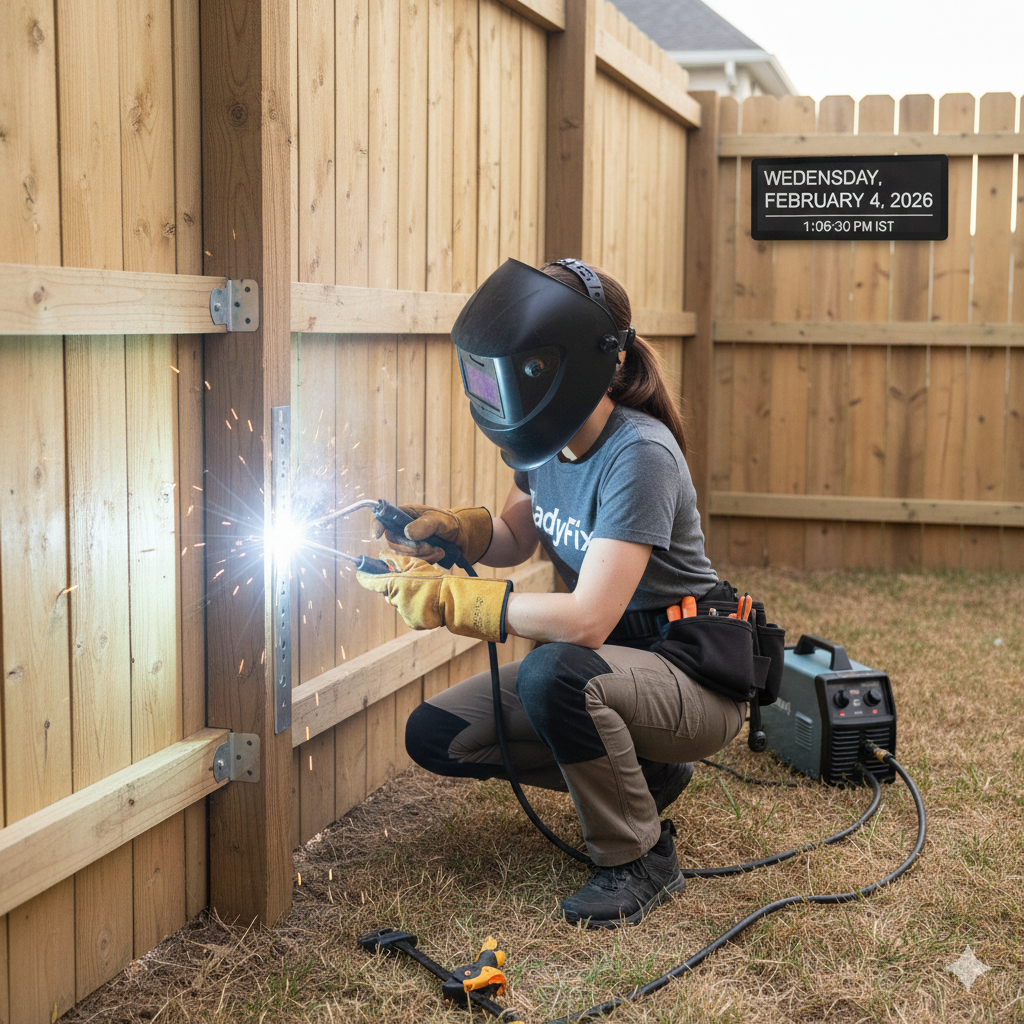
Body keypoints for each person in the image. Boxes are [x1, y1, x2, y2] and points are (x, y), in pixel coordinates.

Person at [356, 258, 746, 929]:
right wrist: (460, 533)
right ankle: (644, 780)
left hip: (688, 673)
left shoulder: (639, 455)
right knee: (439, 736)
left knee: (554, 673)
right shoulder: (544, 440)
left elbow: (589, 619)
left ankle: (639, 858)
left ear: (559, 366)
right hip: (608, 670)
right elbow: (518, 537)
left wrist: (457, 601)